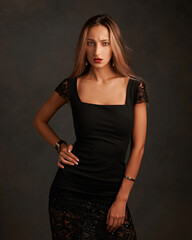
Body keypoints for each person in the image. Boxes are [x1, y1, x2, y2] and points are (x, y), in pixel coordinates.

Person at [33, 13, 149, 240]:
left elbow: (139, 148)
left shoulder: (135, 87)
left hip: (111, 192)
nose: (97, 51)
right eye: (91, 43)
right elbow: (39, 120)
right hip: (69, 192)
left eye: (105, 43)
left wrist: (121, 200)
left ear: (113, 46)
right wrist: (60, 146)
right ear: (83, 47)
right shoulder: (72, 86)